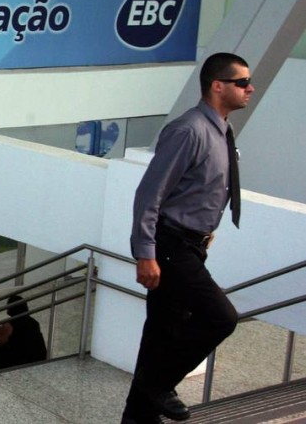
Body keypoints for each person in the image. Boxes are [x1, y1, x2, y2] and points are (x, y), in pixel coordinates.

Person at [121, 52, 252, 424]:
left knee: (162, 333)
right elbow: (150, 194)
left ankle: (138, 417)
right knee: (221, 317)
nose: (250, 88)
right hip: (170, 246)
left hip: (192, 244)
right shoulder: (189, 130)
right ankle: (156, 383)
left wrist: (205, 230)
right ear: (218, 85)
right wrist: (146, 253)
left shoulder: (221, 130)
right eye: (242, 82)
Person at [0, 295, 47, 372]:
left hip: (19, 359)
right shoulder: (34, 322)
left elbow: (0, 340)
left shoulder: (10, 323)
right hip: (38, 357)